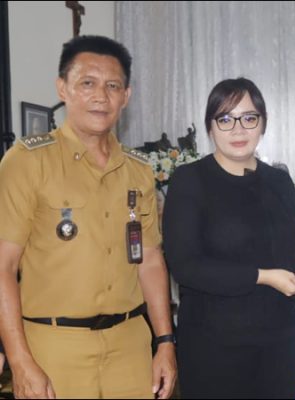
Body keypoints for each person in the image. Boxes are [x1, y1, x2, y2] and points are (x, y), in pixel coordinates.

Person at [0, 35, 176, 399]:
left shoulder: (139, 170)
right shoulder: (26, 162)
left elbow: (149, 261)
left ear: (126, 96)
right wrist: (19, 360)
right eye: (87, 83)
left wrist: (165, 342)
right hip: (53, 349)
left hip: (129, 347)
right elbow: (3, 265)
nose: (101, 96)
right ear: (62, 88)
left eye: (112, 86)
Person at [162, 77, 295, 399]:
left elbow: (290, 260)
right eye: (225, 119)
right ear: (210, 126)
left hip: (278, 341)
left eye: (249, 118)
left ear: (263, 123)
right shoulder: (190, 180)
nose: (238, 130)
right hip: (214, 346)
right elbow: (186, 266)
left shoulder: (279, 182)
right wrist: (263, 277)